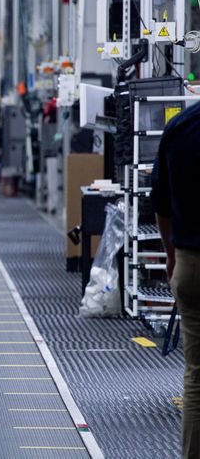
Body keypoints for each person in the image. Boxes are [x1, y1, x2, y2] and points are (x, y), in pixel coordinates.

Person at [152, 101, 200, 458]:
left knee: (196, 375)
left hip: (190, 264)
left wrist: (172, 256)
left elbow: (161, 204)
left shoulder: (179, 126)